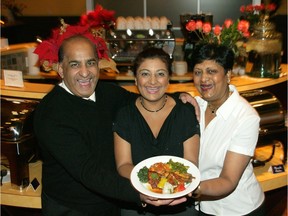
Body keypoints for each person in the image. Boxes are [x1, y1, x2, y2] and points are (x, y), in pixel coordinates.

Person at [33, 35, 189, 216]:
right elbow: (88, 171)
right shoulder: (51, 113)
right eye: (75, 64)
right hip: (72, 207)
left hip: (111, 202)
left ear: (98, 64)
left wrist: (180, 97)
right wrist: (140, 194)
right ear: (61, 69)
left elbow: (142, 101)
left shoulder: (107, 92)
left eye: (90, 63)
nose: (85, 72)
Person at [113, 47, 200, 216]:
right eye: (145, 74)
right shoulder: (124, 114)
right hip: (136, 202)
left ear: (168, 79)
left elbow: (191, 161)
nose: (153, 81)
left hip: (179, 201)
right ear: (136, 79)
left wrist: (173, 186)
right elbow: (123, 165)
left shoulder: (184, 112)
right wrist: (149, 185)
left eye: (160, 74)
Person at [187, 43, 265, 215]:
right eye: (198, 72)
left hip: (235, 210)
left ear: (228, 74)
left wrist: (187, 188)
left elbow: (228, 180)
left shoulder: (246, 117)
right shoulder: (195, 105)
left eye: (212, 71)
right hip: (199, 208)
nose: (203, 79)